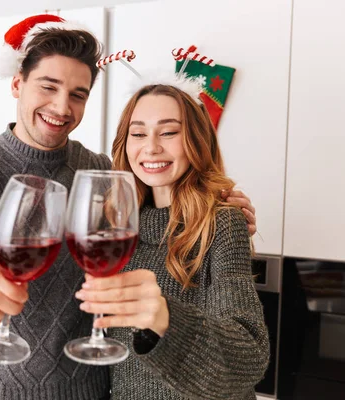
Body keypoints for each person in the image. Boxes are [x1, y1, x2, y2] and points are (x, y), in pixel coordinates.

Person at [0, 14, 257, 400]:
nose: (62, 107)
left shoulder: (102, 174)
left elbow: (162, 196)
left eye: (78, 94)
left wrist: (216, 204)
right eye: (48, 86)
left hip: (92, 391)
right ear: (16, 83)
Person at [74, 83, 269, 399]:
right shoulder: (116, 226)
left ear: (196, 140)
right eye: (138, 134)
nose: (150, 147)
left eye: (168, 133)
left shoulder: (223, 221)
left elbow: (247, 358)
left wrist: (165, 318)